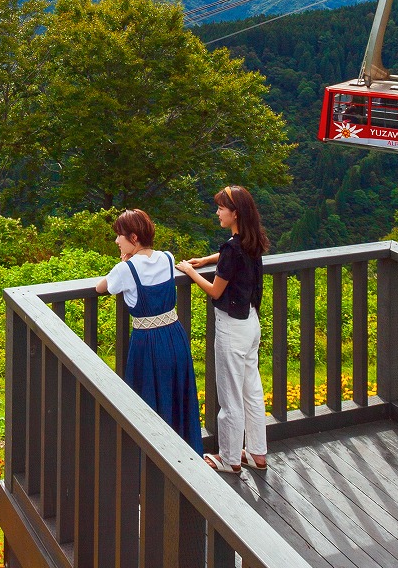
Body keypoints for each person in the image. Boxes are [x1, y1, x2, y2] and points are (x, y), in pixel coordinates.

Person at [176, 185, 269, 474]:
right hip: (251, 323)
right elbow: (231, 256)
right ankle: (257, 454)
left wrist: (191, 272)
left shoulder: (233, 247)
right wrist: (206, 260)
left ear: (235, 213)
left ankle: (229, 459)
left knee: (230, 397)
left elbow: (216, 291)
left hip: (232, 327)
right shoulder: (252, 241)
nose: (217, 212)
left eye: (221, 208)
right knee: (251, 391)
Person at [96, 209, 204, 455]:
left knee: (147, 402)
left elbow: (100, 286)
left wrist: (122, 264)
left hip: (147, 342)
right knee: (177, 395)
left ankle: (151, 463)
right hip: (175, 336)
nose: (116, 241)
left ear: (133, 238)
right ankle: (186, 456)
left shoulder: (126, 269)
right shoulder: (167, 257)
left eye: (119, 236)